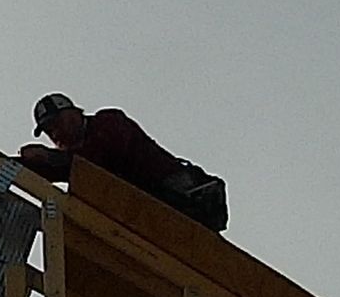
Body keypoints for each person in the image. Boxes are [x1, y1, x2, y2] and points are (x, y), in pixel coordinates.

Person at [19, 93, 228, 232]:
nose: (54, 133)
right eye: (48, 131)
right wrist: (9, 163)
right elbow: (56, 169)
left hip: (179, 198)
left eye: (56, 124)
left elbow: (98, 157)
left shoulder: (108, 121)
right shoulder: (74, 158)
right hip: (146, 213)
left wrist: (49, 157)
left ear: (73, 114)